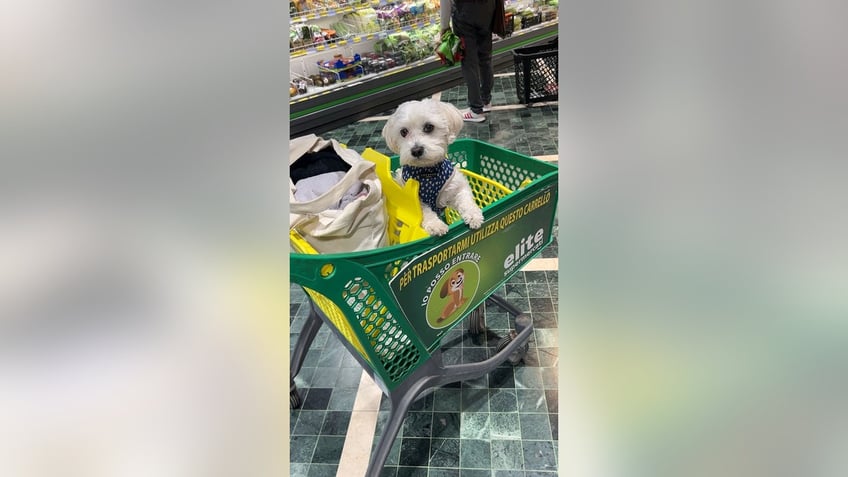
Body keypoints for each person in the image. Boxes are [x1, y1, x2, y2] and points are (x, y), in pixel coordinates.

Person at [441, 0, 498, 122]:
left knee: (469, 63)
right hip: (487, 10)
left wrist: (444, 26)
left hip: (465, 15)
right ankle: (486, 101)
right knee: (485, 59)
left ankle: (476, 110)